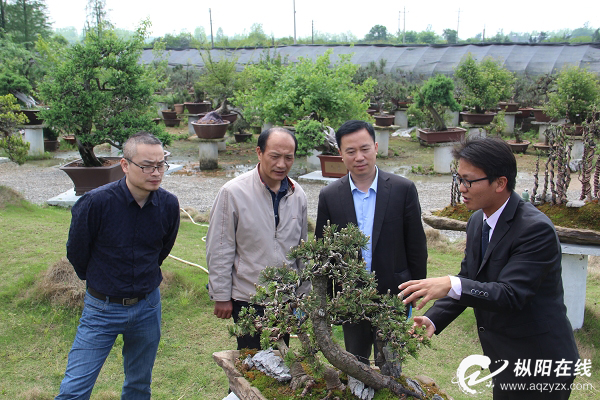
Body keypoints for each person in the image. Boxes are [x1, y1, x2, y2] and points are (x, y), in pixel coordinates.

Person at [399, 137, 579, 399]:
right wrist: (433, 319)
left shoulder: (535, 230)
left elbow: (510, 294)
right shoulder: (477, 221)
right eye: (458, 178)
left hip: (539, 360)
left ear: (500, 183)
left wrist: (450, 283)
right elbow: (471, 278)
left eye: (469, 180)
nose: (462, 187)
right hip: (504, 357)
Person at [56, 132, 180, 399]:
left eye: (161, 165)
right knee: (74, 390)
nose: (156, 172)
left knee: (138, 385)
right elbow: (77, 252)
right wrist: (101, 280)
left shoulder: (168, 204)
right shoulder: (95, 203)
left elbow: (162, 250)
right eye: (147, 165)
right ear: (125, 165)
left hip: (148, 306)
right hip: (101, 308)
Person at [315, 119, 427, 365]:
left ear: (376, 147)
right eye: (351, 151)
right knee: (356, 361)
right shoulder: (330, 196)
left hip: (394, 292)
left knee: (390, 361)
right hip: (350, 294)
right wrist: (330, 296)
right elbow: (323, 250)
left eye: (365, 149)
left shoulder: (402, 189)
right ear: (340, 155)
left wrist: (417, 287)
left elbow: (416, 243)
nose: (359, 157)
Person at [207, 127, 308, 350]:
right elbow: (220, 247)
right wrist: (221, 295)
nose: (282, 164)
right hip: (247, 297)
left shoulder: (297, 193)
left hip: (285, 298)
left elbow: (303, 248)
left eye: (288, 157)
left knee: (282, 361)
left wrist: (303, 295)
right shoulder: (232, 192)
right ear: (259, 153)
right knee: (250, 364)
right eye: (275, 156)